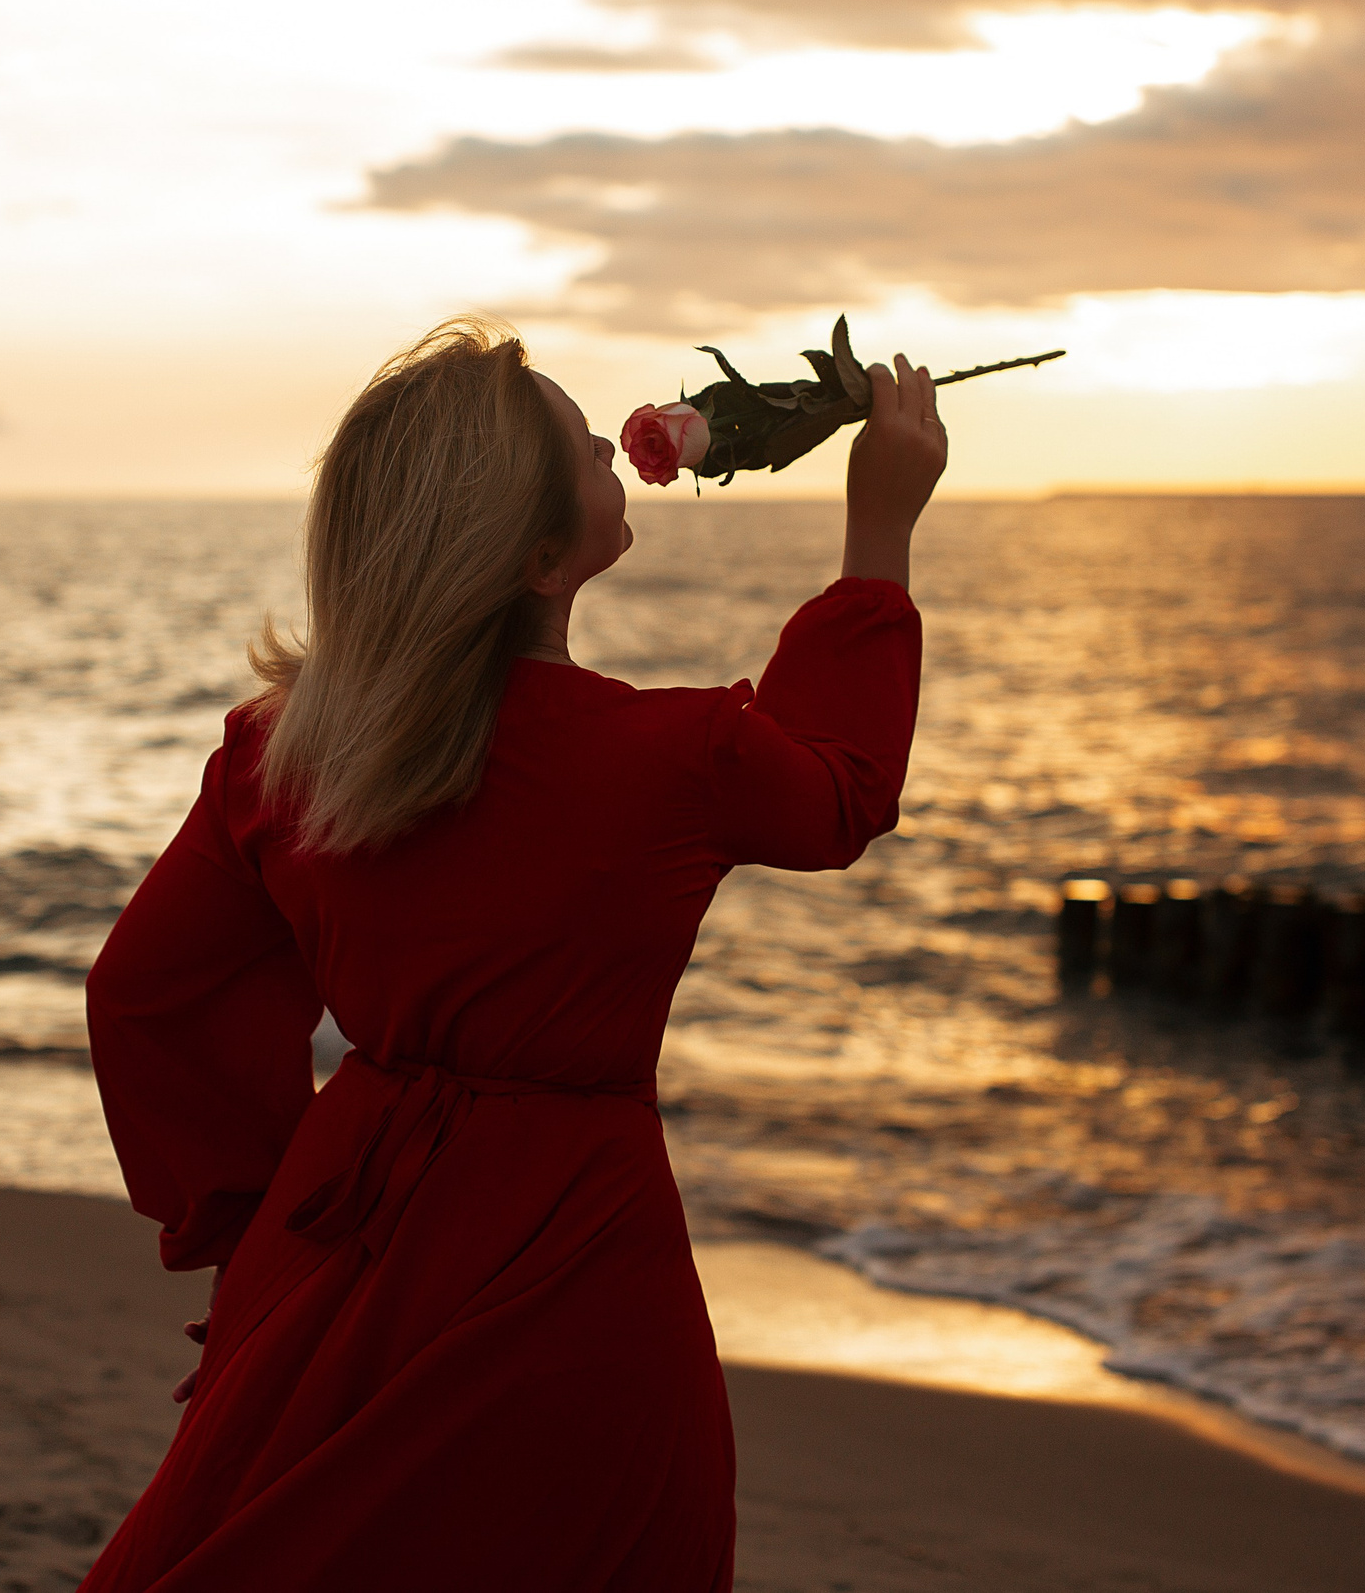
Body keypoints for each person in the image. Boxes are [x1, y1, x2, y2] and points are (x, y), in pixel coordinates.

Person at [77, 316, 941, 1591]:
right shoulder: (673, 758)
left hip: (338, 1234)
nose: (608, 447)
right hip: (575, 1256)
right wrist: (880, 533)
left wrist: (248, 1228)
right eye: (582, 446)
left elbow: (145, 998)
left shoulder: (282, 753)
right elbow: (842, 790)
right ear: (538, 558)